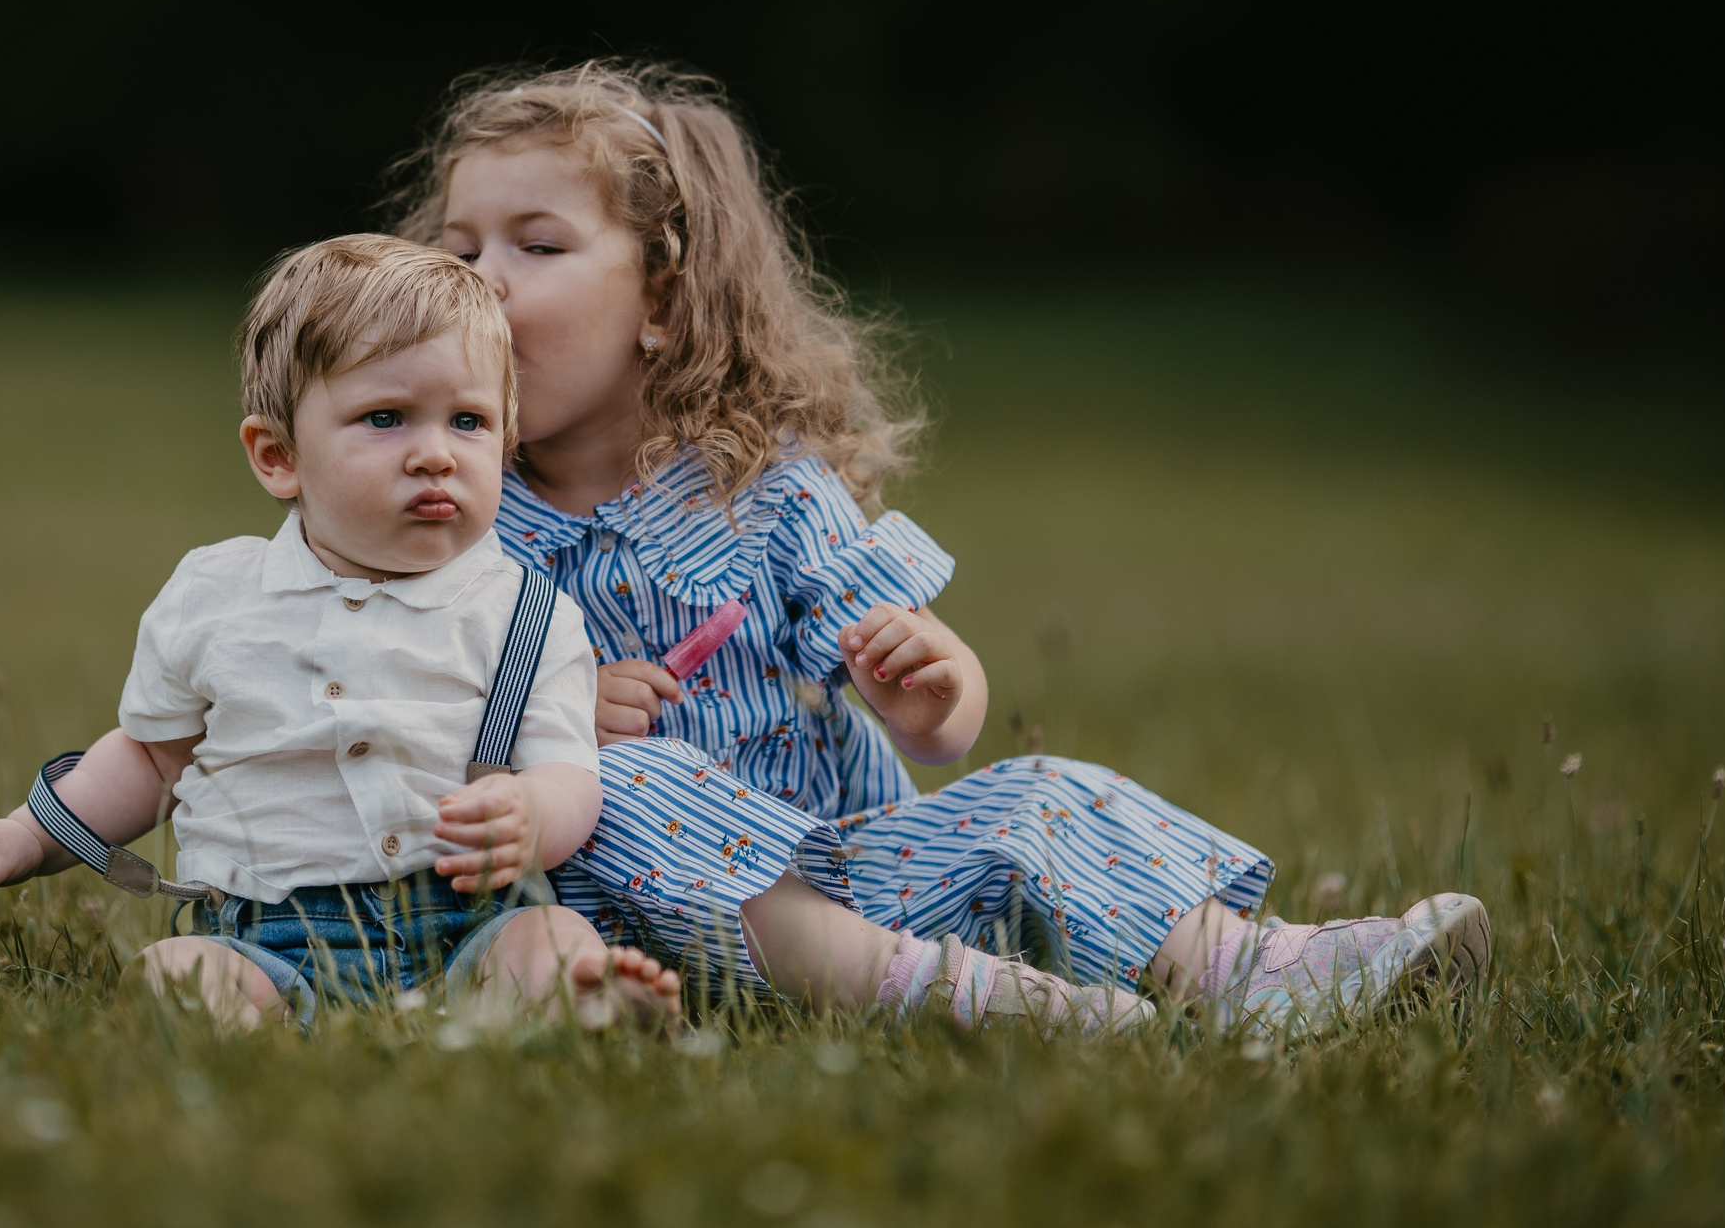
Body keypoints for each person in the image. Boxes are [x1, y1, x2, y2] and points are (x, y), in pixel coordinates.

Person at [390, 62, 1492, 1035]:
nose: (477, 277)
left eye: (535, 245)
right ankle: (961, 996)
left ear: (663, 306)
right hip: (596, 914)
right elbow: (374, 719)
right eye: (456, 248)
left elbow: (938, 725)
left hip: (848, 863)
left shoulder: (759, 491)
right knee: (631, 780)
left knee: (1037, 795)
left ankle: (1252, 969)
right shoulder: (435, 520)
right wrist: (553, 724)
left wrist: (933, 692)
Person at [0, 234, 681, 1029]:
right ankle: (256, 1018)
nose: (434, 454)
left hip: (466, 919)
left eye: (469, 421)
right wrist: (33, 832)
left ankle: (573, 1000)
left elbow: (570, 772)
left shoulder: (528, 613)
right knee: (174, 975)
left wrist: (530, 813)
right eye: (385, 418)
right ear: (279, 456)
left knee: (548, 934)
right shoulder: (217, 597)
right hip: (267, 934)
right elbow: (150, 759)